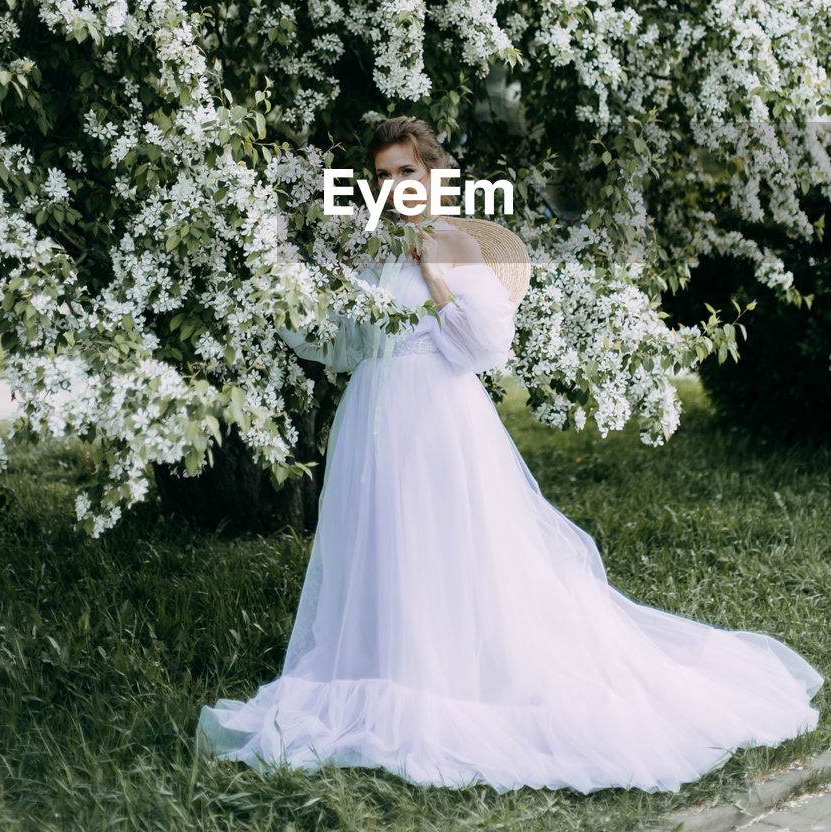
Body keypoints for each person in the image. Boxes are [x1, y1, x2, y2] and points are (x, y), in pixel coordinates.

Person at [196, 116, 822, 794]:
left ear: (432, 174)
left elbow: (482, 350)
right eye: (382, 176)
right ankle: (384, 666)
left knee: (448, 545)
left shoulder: (457, 244)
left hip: (438, 415)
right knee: (381, 543)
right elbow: (343, 347)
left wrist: (433, 274)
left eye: (406, 171)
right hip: (372, 414)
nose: (394, 185)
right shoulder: (372, 251)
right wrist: (323, 289)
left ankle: (454, 676)